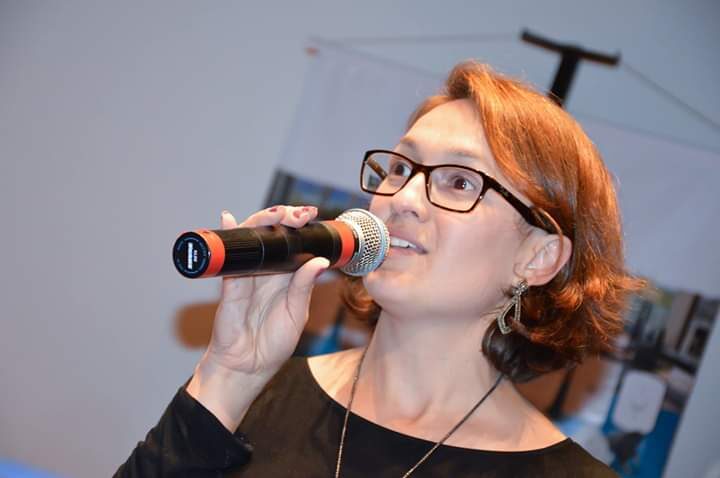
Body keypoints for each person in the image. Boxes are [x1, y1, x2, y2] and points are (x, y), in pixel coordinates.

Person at [115, 61, 642, 477]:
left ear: (538, 257)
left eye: (460, 182)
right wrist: (229, 374)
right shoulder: (251, 395)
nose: (402, 197)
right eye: (399, 168)